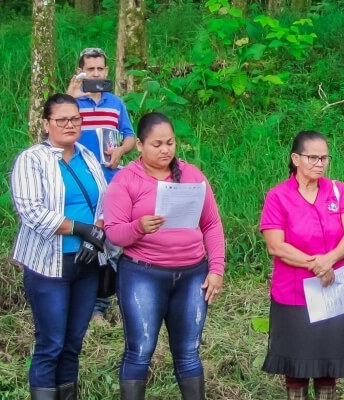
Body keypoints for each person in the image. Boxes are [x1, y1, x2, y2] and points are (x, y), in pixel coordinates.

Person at [103, 112, 226, 400]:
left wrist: (216, 269)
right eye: (157, 144)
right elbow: (114, 233)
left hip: (192, 274)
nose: (165, 150)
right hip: (143, 274)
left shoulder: (193, 176)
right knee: (140, 349)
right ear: (140, 146)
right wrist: (138, 227)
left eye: (170, 143)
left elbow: (212, 224)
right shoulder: (125, 181)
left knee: (188, 351)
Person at [10, 94, 111, 400]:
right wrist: (80, 229)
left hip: (87, 263)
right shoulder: (32, 160)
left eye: (76, 119)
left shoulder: (88, 157)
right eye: (62, 120)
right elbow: (31, 210)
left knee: (73, 343)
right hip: (48, 264)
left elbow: (106, 203)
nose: (70, 125)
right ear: (46, 124)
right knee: (51, 343)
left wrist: (97, 237)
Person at [260, 131, 344, 400]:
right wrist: (315, 264)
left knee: (329, 361)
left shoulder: (337, 190)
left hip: (332, 287)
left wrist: (329, 260)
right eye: (313, 157)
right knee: (296, 362)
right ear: (295, 158)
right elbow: (275, 245)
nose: (320, 163)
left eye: (324, 158)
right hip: (293, 292)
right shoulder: (278, 196)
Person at [66, 47, 136, 324]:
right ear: (81, 71)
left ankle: (110, 303)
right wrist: (71, 96)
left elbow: (129, 136)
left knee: (115, 243)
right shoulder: (72, 104)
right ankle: (90, 309)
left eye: (100, 69)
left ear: (107, 71)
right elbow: (56, 131)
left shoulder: (115, 103)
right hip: (81, 182)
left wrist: (120, 151)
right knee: (89, 241)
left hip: (112, 180)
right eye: (89, 70)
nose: (95, 74)